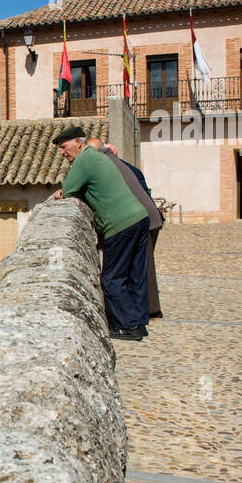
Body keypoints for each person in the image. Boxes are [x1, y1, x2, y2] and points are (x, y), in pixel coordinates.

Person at [49, 126, 149, 340]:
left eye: (64, 147)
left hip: (119, 224)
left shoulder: (84, 160)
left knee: (112, 278)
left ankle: (127, 326)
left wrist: (62, 192)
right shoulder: (95, 156)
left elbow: (69, 188)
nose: (62, 153)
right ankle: (139, 323)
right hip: (138, 217)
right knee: (136, 275)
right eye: (60, 150)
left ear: (79, 142)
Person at [88, 137, 163, 319]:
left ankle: (147, 311)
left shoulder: (109, 166)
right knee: (141, 267)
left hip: (142, 219)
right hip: (148, 217)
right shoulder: (127, 167)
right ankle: (143, 311)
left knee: (141, 268)